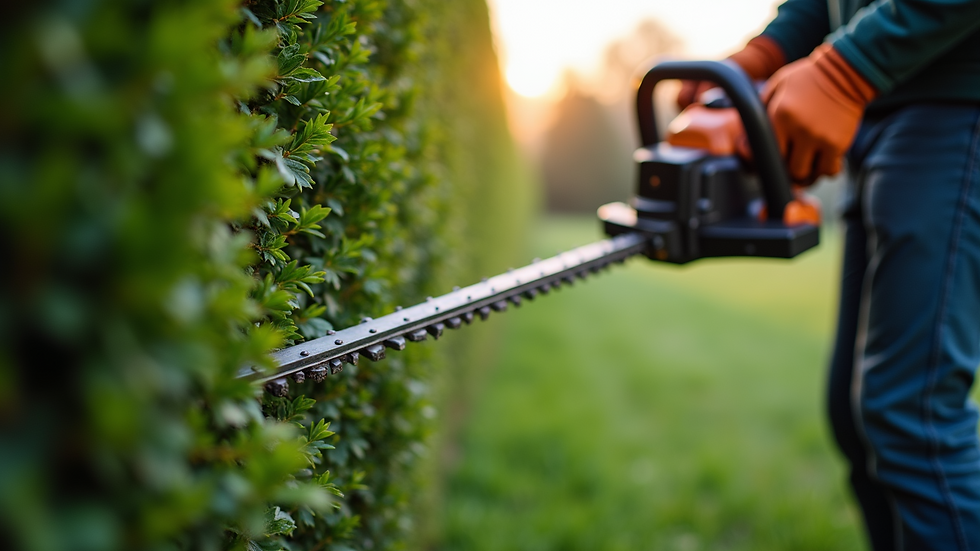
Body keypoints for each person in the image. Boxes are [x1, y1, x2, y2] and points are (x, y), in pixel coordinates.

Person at [678, 2, 980, 549]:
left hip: (958, 102)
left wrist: (846, 67)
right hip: (882, 108)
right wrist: (763, 55)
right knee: (856, 415)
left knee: (913, 417)